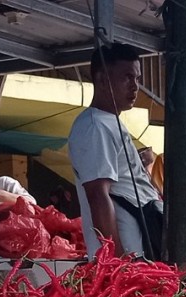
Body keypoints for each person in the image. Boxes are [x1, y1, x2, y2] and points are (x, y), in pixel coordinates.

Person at [68, 43, 161, 258]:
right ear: (101, 79)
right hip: (128, 253)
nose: (135, 86)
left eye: (137, 78)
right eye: (127, 77)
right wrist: (116, 260)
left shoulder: (110, 122)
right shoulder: (95, 126)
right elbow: (98, 194)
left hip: (140, 244)